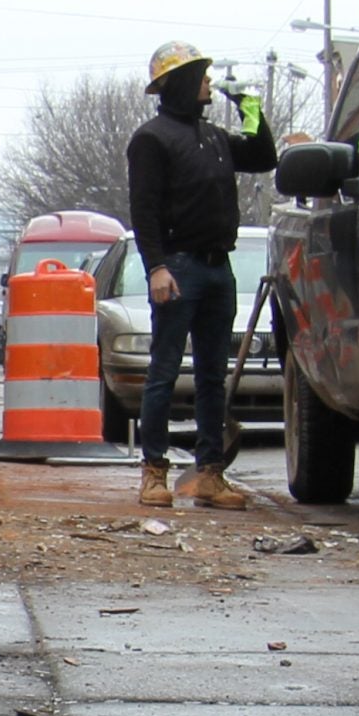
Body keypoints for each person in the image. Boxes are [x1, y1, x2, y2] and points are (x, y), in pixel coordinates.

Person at [121, 40, 273, 509]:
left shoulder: (215, 139)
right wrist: (157, 268)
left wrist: (249, 107)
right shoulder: (152, 139)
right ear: (183, 83)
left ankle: (210, 472)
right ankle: (154, 473)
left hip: (216, 268)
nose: (209, 82)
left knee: (212, 375)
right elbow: (143, 211)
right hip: (179, 267)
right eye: (203, 76)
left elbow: (264, 155)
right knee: (164, 372)